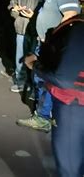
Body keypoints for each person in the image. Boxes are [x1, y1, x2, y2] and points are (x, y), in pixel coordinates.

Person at [17, 0, 81, 132]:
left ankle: (43, 118)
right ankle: (48, 114)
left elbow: (70, 16)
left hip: (51, 46)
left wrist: (54, 42)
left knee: (45, 79)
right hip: (46, 43)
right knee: (42, 79)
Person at [24, 14, 84, 177]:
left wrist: (35, 65)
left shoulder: (79, 31)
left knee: (69, 167)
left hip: (73, 105)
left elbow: (63, 79)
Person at [7, 0, 45, 93]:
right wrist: (14, 9)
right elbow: (11, 5)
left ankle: (34, 87)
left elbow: (47, 16)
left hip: (36, 34)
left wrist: (33, 15)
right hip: (21, 31)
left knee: (34, 60)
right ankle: (21, 82)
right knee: (20, 58)